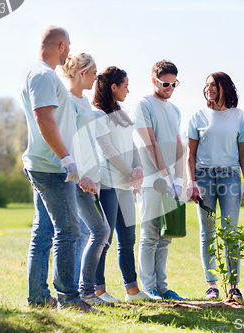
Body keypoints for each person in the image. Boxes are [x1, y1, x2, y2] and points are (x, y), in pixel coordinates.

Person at [21, 25, 96, 313]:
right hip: (51, 167)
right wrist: (66, 158)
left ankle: (39, 297)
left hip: (44, 164)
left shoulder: (39, 73)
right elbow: (44, 119)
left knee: (44, 233)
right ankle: (69, 298)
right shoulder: (42, 75)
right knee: (69, 230)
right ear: (63, 46)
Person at [186, 72, 244, 300]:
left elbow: (243, 153)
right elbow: (191, 154)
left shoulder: (239, 116)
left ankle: (234, 286)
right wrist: (191, 182)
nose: (209, 89)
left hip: (230, 178)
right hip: (203, 177)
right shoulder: (197, 116)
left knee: (230, 232)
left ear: (224, 87)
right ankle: (212, 285)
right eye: (206, 85)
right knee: (207, 232)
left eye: (213, 85)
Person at [93, 66, 153, 302]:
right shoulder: (97, 114)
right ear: (113, 87)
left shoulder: (123, 113)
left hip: (126, 185)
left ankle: (132, 291)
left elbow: (132, 145)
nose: (128, 90)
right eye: (125, 86)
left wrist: (138, 169)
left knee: (128, 239)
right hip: (108, 185)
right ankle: (98, 290)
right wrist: (130, 171)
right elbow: (107, 149)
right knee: (104, 240)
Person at [60, 53, 113, 307]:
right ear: (81, 73)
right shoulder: (69, 102)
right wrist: (82, 176)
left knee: (90, 232)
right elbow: (70, 143)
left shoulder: (82, 102)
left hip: (92, 176)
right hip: (81, 179)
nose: (95, 79)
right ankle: (86, 292)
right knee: (101, 230)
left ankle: (85, 291)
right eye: (93, 73)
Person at [132, 60, 187, 301]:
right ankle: (148, 287)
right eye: (166, 83)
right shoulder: (143, 105)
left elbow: (177, 145)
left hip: (170, 181)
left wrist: (179, 178)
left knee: (166, 236)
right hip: (150, 180)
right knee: (149, 234)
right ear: (154, 80)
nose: (171, 88)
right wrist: (165, 175)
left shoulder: (174, 110)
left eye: (174, 83)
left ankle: (162, 287)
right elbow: (149, 143)